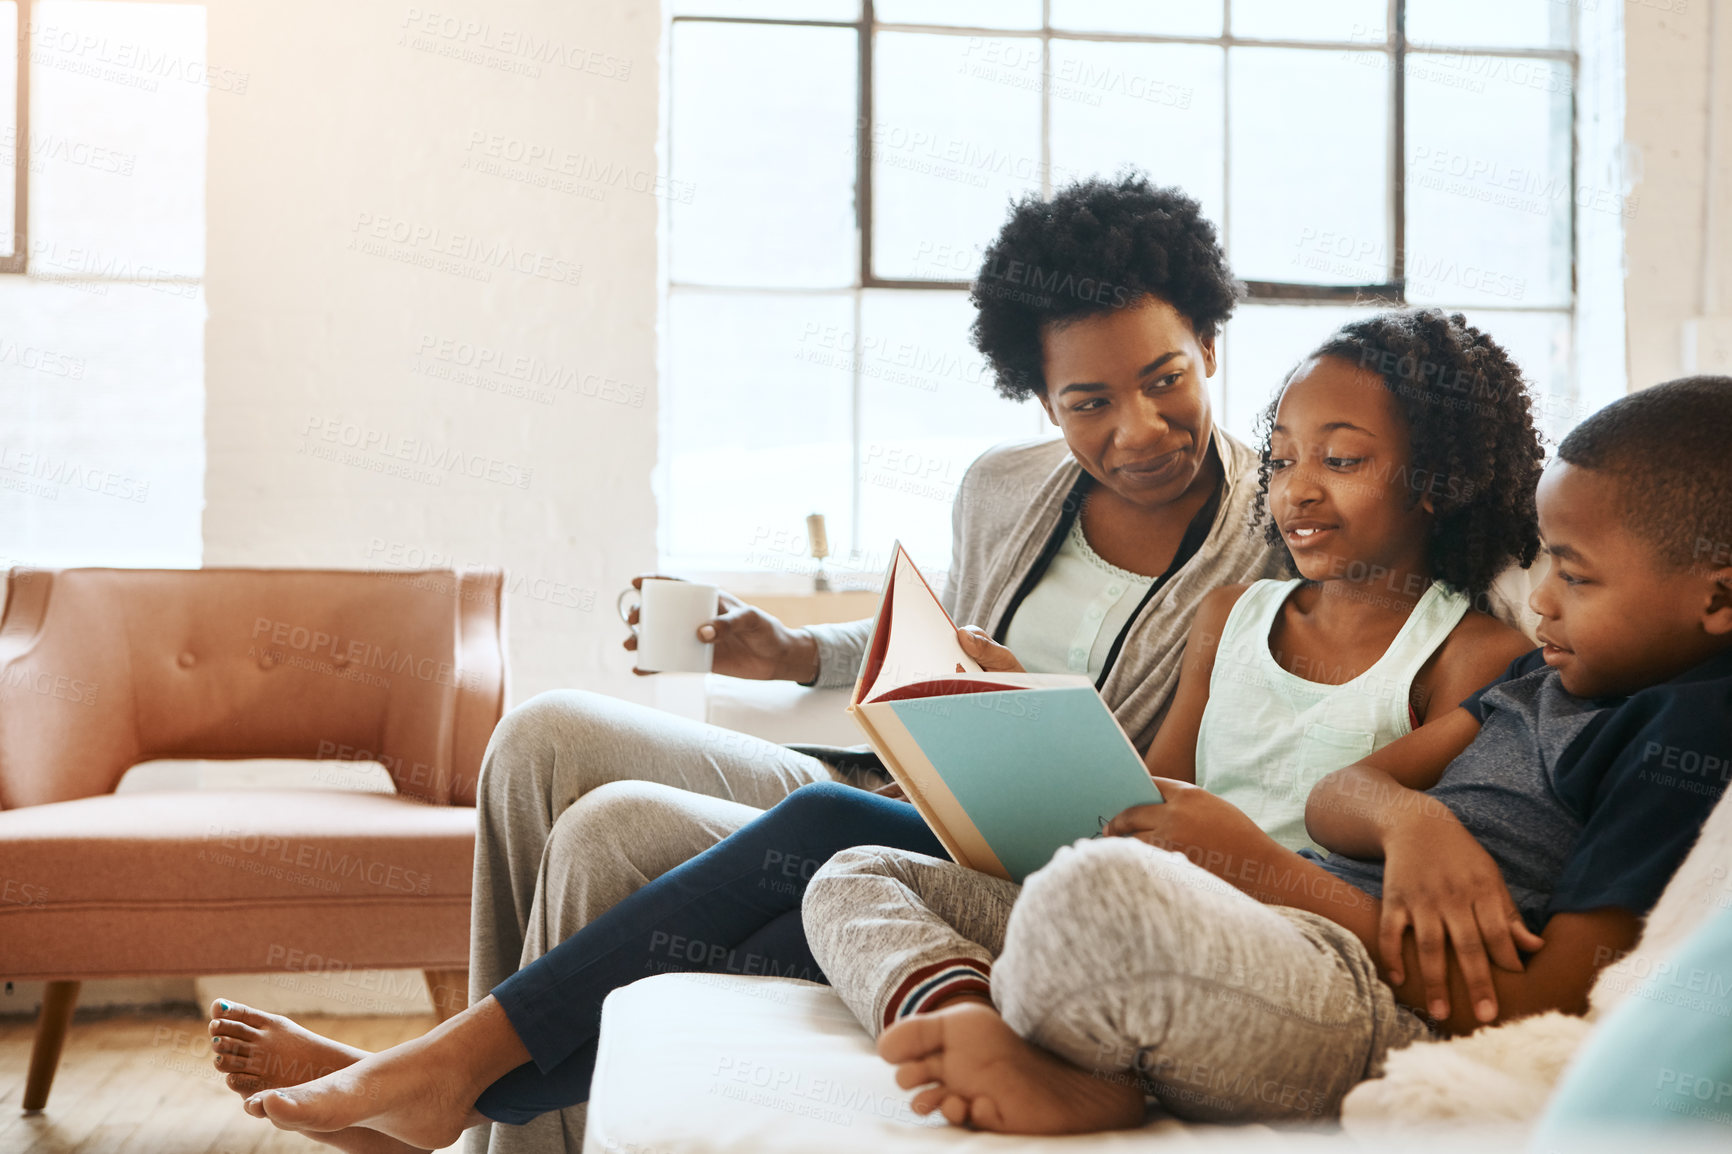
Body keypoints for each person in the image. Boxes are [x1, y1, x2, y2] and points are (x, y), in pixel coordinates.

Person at [204, 308, 1548, 1151]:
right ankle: (455, 1086)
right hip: (1049, 833)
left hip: (1195, 913)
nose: (1295, 485)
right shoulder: (1207, 595)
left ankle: (455, 1077)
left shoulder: (1421, 621)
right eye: (1291, 449)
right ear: (1041, 401)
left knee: (814, 833)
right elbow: (1165, 777)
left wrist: (1402, 815)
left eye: (1343, 459)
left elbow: (1363, 792)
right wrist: (959, 697)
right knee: (769, 828)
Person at [839, 375, 1732, 1134]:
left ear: (1718, 598)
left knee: (1092, 898)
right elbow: (1341, 793)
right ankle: (971, 1018)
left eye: (1574, 575)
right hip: (1288, 923)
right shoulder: (1548, 679)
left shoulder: (1685, 739)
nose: (1539, 599)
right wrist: (1411, 820)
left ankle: (1081, 1062)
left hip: (1379, 1000)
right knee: (860, 869)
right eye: (1544, 563)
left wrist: (1270, 873)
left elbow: (1539, 1010)